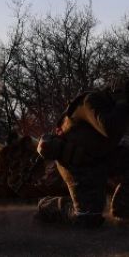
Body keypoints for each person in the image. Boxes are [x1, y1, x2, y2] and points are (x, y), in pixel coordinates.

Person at [36, 77, 129, 227]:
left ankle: (122, 208)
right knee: (88, 219)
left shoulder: (120, 109)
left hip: (100, 158)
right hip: (77, 164)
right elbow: (109, 128)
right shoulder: (91, 102)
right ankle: (48, 205)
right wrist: (122, 104)